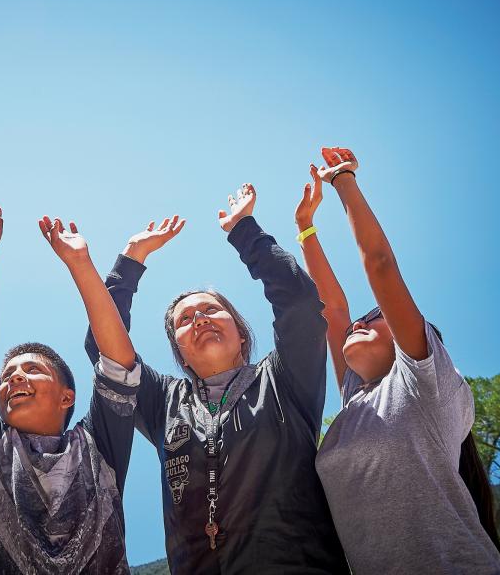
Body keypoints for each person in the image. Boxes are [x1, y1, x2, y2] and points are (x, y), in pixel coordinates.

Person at [84, 187, 349, 573]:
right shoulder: (163, 404)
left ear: (241, 332)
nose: (200, 320)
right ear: (179, 352)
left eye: (211, 309)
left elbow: (300, 303)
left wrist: (245, 230)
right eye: (185, 320)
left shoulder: (284, 379)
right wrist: (131, 259)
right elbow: (105, 350)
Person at [306, 147, 500, 574]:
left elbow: (380, 266)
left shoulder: (421, 382)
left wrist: (344, 180)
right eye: (361, 319)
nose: (358, 322)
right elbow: (332, 311)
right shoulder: (355, 399)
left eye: (374, 316)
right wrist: (305, 229)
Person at [0, 204, 140, 574]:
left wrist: (80, 263)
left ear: (68, 396)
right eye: (6, 376)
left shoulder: (98, 446)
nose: (13, 378)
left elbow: (118, 366)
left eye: (32, 370)